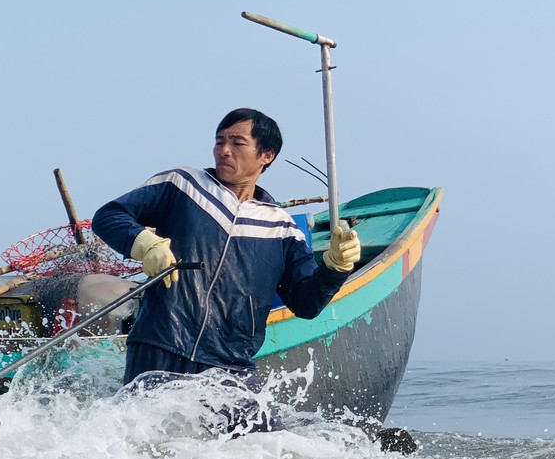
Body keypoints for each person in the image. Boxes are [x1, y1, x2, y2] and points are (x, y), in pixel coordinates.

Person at [92, 107, 360, 387]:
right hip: (159, 347)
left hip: (231, 365)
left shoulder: (282, 228)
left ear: (266, 156)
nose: (224, 150)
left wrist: (335, 268)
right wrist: (145, 244)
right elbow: (109, 216)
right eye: (220, 141)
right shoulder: (182, 185)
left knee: (268, 433)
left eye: (237, 142)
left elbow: (307, 304)